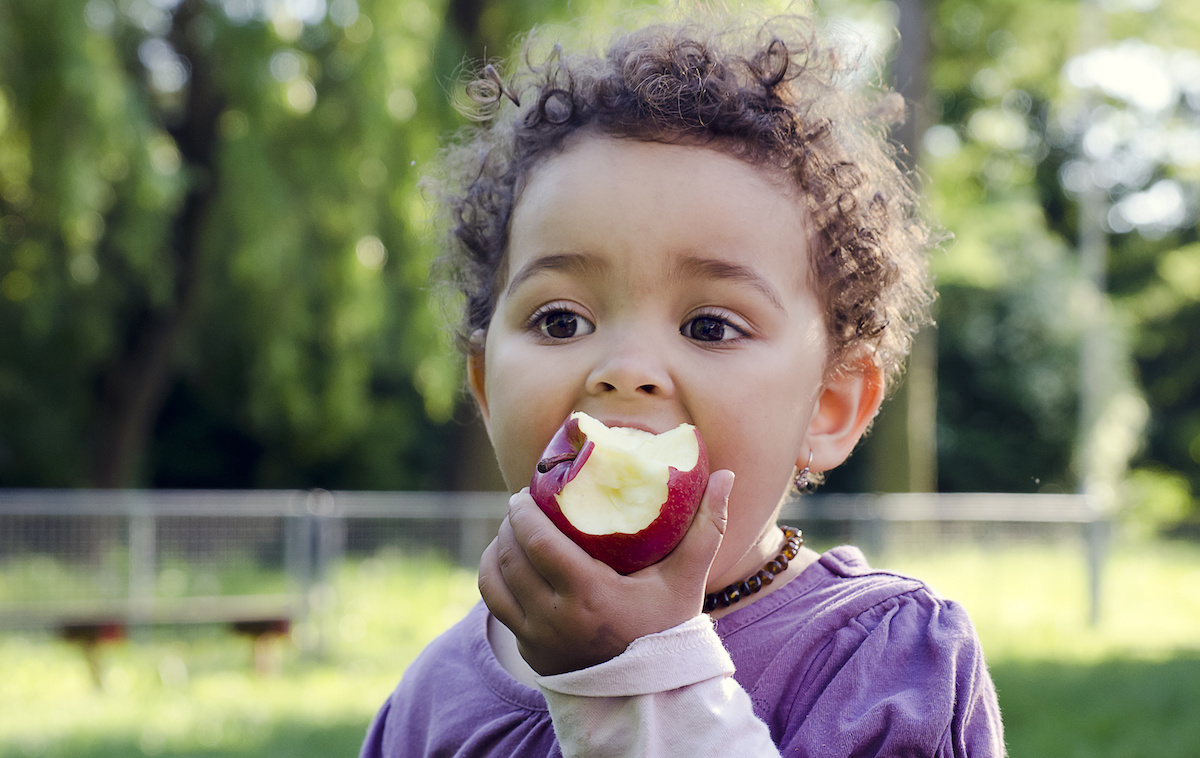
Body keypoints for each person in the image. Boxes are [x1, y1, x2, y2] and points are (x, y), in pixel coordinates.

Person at [360, 7, 1005, 757]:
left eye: (709, 326)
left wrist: (637, 678)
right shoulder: (434, 698)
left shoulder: (883, 664)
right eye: (561, 321)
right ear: (484, 383)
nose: (625, 371)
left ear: (828, 407)